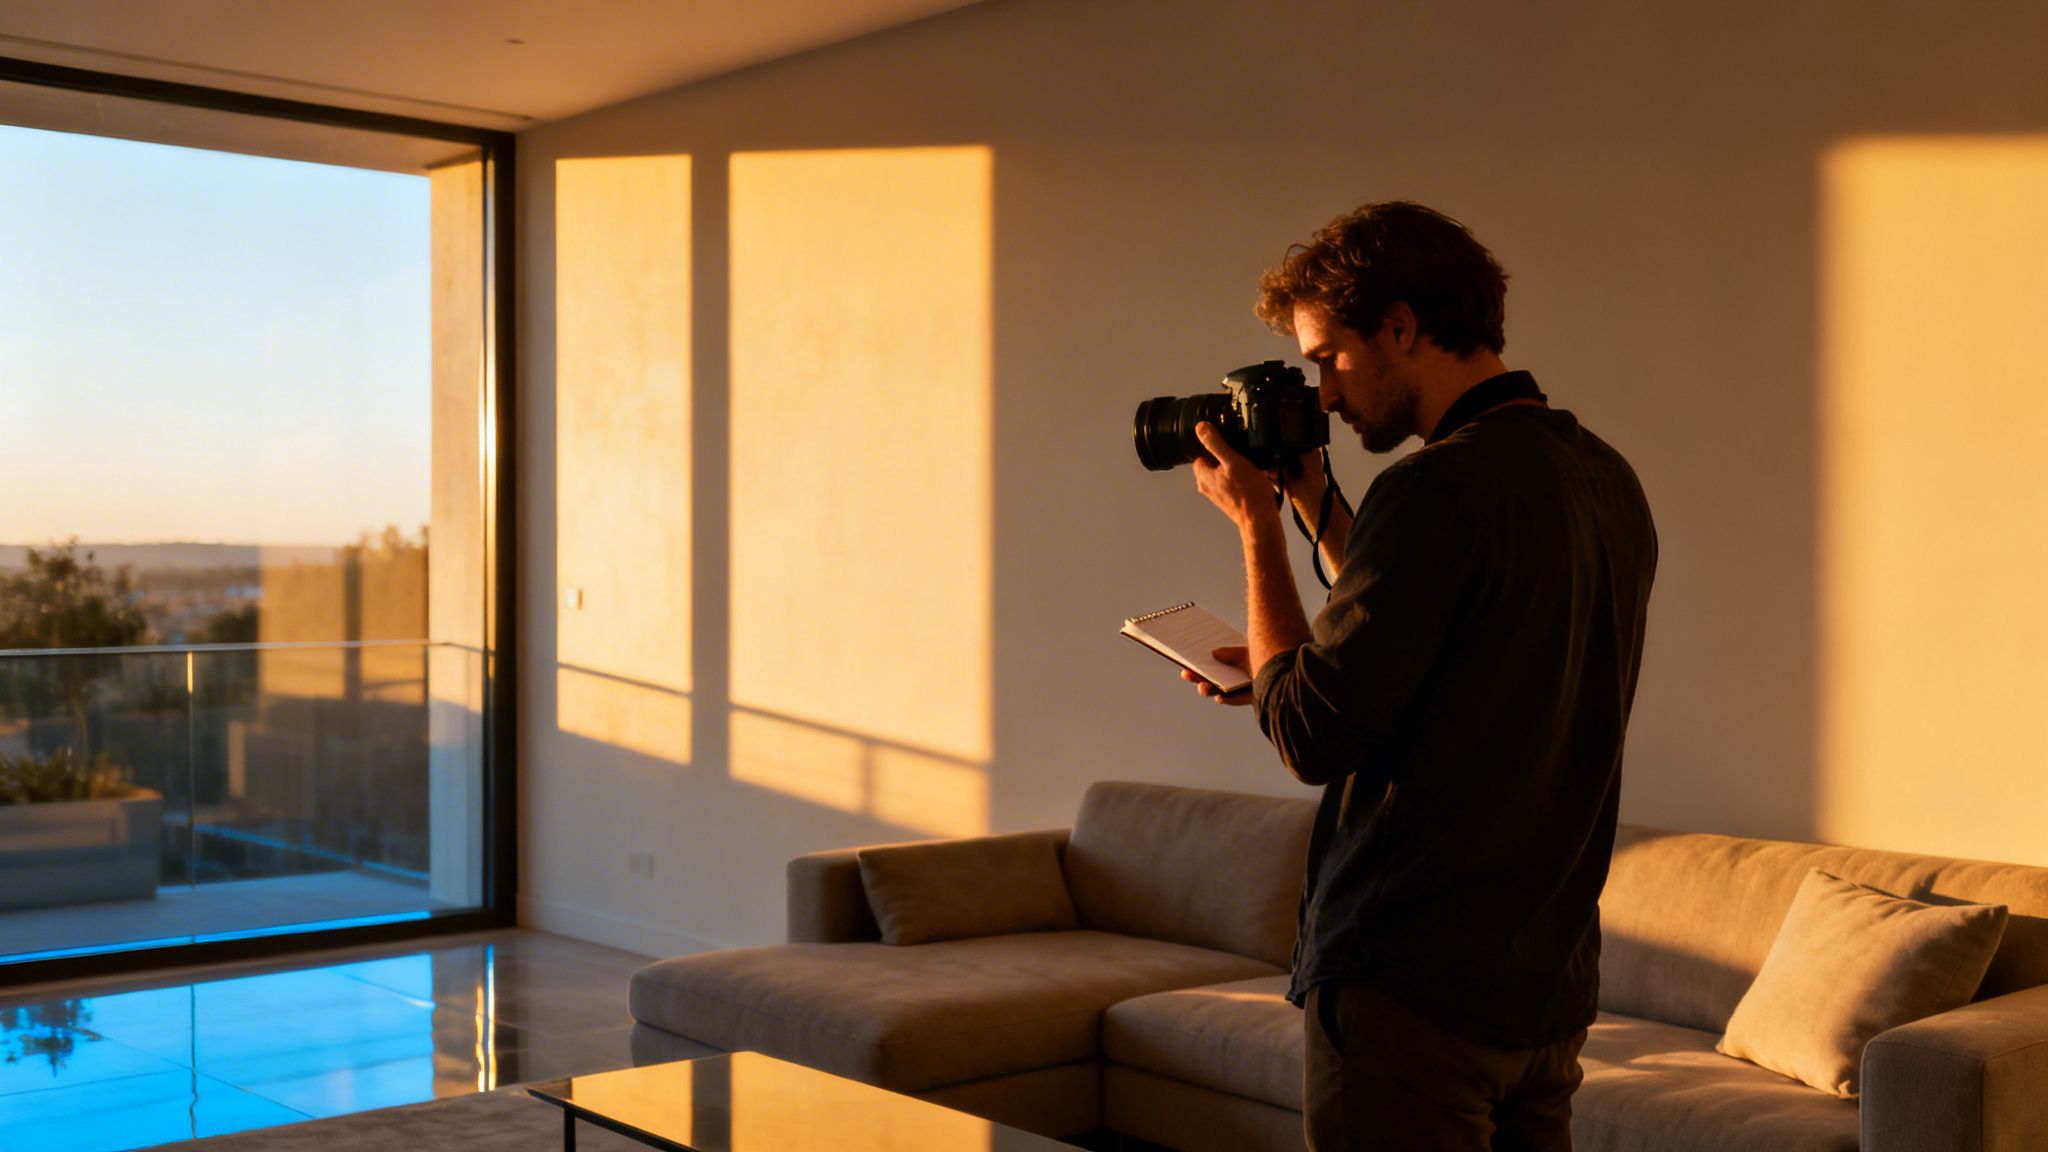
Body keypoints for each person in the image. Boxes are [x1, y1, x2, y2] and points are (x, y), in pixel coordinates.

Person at [1184, 201, 1657, 1151]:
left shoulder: (1432, 488)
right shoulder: (1602, 477)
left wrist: (1258, 528)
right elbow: (1445, 637)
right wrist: (1314, 498)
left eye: (1328, 357)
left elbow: (1309, 735)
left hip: (1410, 987)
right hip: (1541, 989)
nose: (1320, 392)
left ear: (1400, 326)